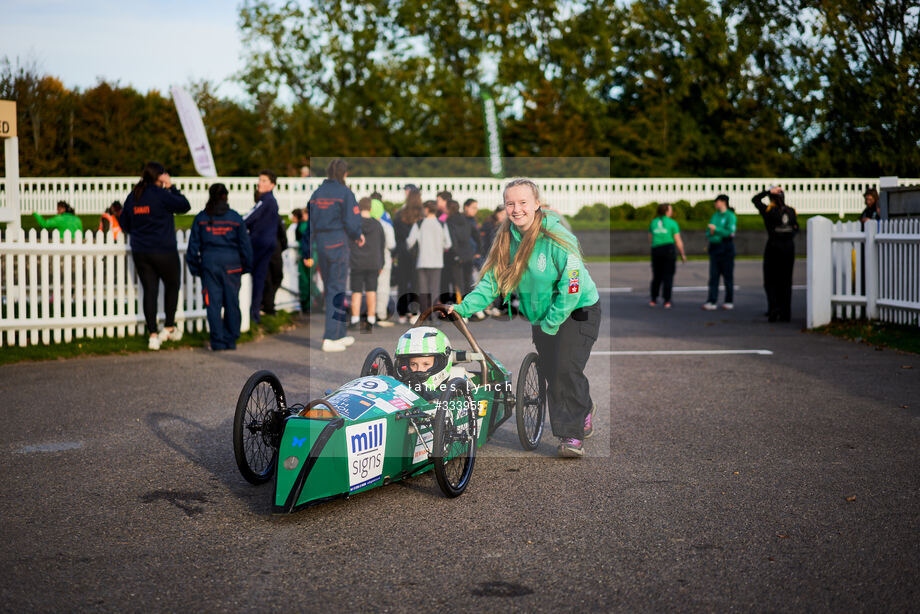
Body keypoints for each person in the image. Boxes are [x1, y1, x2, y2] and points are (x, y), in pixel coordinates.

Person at [448, 178, 600, 458]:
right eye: (510, 204)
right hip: (543, 316)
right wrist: (463, 308)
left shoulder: (558, 237)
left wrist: (553, 321)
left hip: (579, 310)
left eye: (522, 203)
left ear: (536, 204)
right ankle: (584, 406)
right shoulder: (507, 239)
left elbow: (573, 284)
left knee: (565, 366)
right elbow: (491, 282)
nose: (516, 209)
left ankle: (571, 435)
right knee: (554, 371)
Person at [119, 161, 191, 350]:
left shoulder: (134, 195)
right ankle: (168, 327)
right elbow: (184, 205)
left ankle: (152, 335)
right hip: (164, 249)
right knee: (172, 285)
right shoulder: (161, 194)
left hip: (141, 251)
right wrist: (171, 186)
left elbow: (124, 223)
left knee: (150, 290)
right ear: (160, 176)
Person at [186, 183, 253, 351]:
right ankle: (231, 339)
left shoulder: (202, 218)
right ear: (226, 196)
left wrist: (196, 268)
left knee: (213, 304)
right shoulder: (235, 218)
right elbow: (245, 245)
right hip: (232, 264)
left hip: (209, 264)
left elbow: (193, 247)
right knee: (232, 302)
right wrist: (246, 266)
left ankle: (217, 341)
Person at [305, 159, 364, 352]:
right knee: (336, 288)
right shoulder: (345, 192)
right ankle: (330, 337)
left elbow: (310, 225)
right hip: (338, 242)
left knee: (332, 287)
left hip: (321, 244)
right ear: (344, 173)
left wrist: (308, 251)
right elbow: (352, 221)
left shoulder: (317, 193)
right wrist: (358, 235)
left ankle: (340, 333)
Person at [752, 185, 799, 322]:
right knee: (786, 280)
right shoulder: (791, 211)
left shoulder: (769, 210)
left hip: (774, 247)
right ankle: (785, 312)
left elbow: (755, 200)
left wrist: (768, 191)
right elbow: (795, 228)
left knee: (771, 281)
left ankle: (774, 309)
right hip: (788, 248)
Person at [244, 169, 280, 324]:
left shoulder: (266, 200)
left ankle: (250, 312)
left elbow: (249, 218)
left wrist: (232, 223)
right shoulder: (269, 201)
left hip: (259, 243)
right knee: (259, 278)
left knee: (247, 274)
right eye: (260, 180)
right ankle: (254, 313)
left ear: (272, 185)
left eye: (264, 181)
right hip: (267, 242)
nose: (260, 183)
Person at [407, 200, 452, 319]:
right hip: (437, 261)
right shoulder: (441, 224)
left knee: (423, 290)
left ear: (426, 209)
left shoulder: (419, 224)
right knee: (435, 290)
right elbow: (448, 243)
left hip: (422, 261)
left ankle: (425, 315)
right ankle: (434, 315)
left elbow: (409, 242)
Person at [349, 197, 386, 331]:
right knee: (372, 291)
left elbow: (350, 242)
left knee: (356, 291)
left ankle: (355, 319)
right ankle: (371, 319)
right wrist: (381, 263)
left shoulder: (355, 224)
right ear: (370, 208)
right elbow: (382, 245)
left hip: (357, 262)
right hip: (373, 262)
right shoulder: (377, 225)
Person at [393, 326, 455, 400]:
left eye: (426, 364)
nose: (419, 369)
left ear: (440, 363)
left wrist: (420, 389)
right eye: (413, 364)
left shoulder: (455, 390)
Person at [702, 194, 737, 311]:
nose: (715, 204)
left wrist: (716, 230)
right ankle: (712, 300)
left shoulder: (730, 216)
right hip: (715, 247)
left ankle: (729, 300)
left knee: (727, 276)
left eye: (717, 201)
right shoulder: (715, 215)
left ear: (723, 202)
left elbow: (730, 232)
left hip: (726, 247)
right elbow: (708, 230)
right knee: (713, 276)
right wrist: (711, 233)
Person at [647, 203, 686, 309]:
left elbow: (650, 238)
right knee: (668, 275)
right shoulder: (672, 223)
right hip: (668, 249)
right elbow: (677, 240)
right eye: (671, 209)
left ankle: (653, 299)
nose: (672, 211)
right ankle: (667, 300)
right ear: (667, 211)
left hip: (656, 250)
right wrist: (682, 253)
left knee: (656, 276)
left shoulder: (653, 222)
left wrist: (654, 247)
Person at [393, 190, 423, 324]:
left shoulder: (400, 215)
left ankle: (402, 313)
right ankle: (414, 312)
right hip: (417, 253)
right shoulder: (421, 215)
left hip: (402, 252)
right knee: (415, 283)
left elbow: (396, 235)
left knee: (402, 283)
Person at [370, 193, 396, 326]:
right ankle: (380, 314)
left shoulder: (362, 224)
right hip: (383, 258)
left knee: (368, 288)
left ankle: (369, 313)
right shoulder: (386, 225)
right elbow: (391, 244)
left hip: (366, 259)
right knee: (383, 287)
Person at [478, 205, 507, 317]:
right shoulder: (488, 225)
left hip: (501, 258)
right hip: (488, 257)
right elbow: (483, 241)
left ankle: (496, 306)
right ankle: (486, 306)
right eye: (501, 214)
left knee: (499, 283)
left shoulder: (506, 226)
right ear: (496, 213)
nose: (503, 216)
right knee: (488, 282)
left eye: (505, 214)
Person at [260, 218, 288, 316]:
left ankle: (267, 304)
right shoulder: (276, 218)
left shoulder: (260, 216)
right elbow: (283, 236)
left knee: (271, 279)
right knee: (273, 279)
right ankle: (268, 306)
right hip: (274, 251)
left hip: (266, 251)